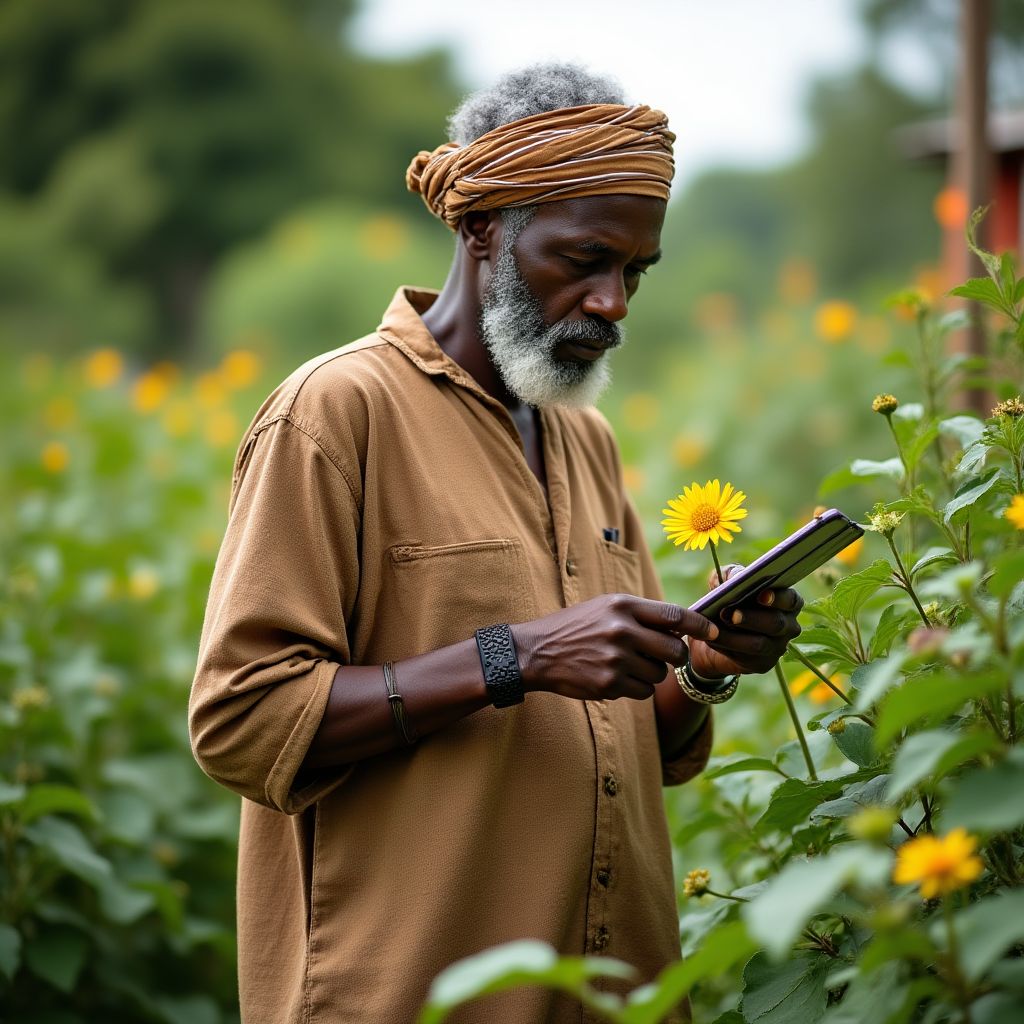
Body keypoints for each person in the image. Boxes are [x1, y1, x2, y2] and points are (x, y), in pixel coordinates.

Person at [188, 63, 802, 1024]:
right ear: (482, 229)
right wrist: (516, 656)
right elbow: (242, 720)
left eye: (634, 272)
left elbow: (626, 737)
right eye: (585, 259)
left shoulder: (583, 437)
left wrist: (704, 669)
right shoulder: (335, 413)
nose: (614, 302)